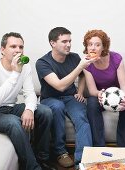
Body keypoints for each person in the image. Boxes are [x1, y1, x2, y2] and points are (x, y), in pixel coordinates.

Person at [0, 32, 54, 170]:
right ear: (2, 50)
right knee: (14, 122)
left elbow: (30, 93)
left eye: (21, 47)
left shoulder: (25, 67)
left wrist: (29, 109)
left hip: (11, 108)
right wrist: (15, 73)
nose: (18, 50)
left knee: (45, 111)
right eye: (13, 46)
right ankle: (33, 167)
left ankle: (42, 159)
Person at [36, 27, 94, 168]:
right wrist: (79, 67)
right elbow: (60, 86)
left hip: (70, 97)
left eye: (70, 41)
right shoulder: (42, 63)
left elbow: (82, 77)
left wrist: (80, 92)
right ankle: (60, 152)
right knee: (57, 107)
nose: (68, 44)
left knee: (81, 117)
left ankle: (83, 159)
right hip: (50, 99)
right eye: (64, 41)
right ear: (52, 43)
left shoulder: (74, 57)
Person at [83, 29, 125, 147]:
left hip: (117, 96)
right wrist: (99, 94)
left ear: (104, 47)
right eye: (90, 44)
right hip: (100, 96)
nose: (93, 48)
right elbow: (92, 90)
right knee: (91, 102)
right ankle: (98, 147)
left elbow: (124, 85)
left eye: (97, 44)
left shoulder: (116, 58)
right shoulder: (86, 63)